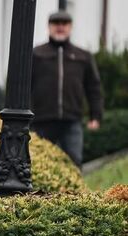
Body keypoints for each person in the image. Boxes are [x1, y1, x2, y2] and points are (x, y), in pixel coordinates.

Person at [31, 10, 103, 165]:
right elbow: (25, 85)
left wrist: (95, 116)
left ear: (70, 27)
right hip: (41, 120)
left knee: (74, 161)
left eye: (64, 24)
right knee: (39, 162)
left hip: (72, 120)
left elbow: (93, 88)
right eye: (56, 23)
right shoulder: (36, 54)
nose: (60, 27)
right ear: (49, 26)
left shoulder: (83, 56)